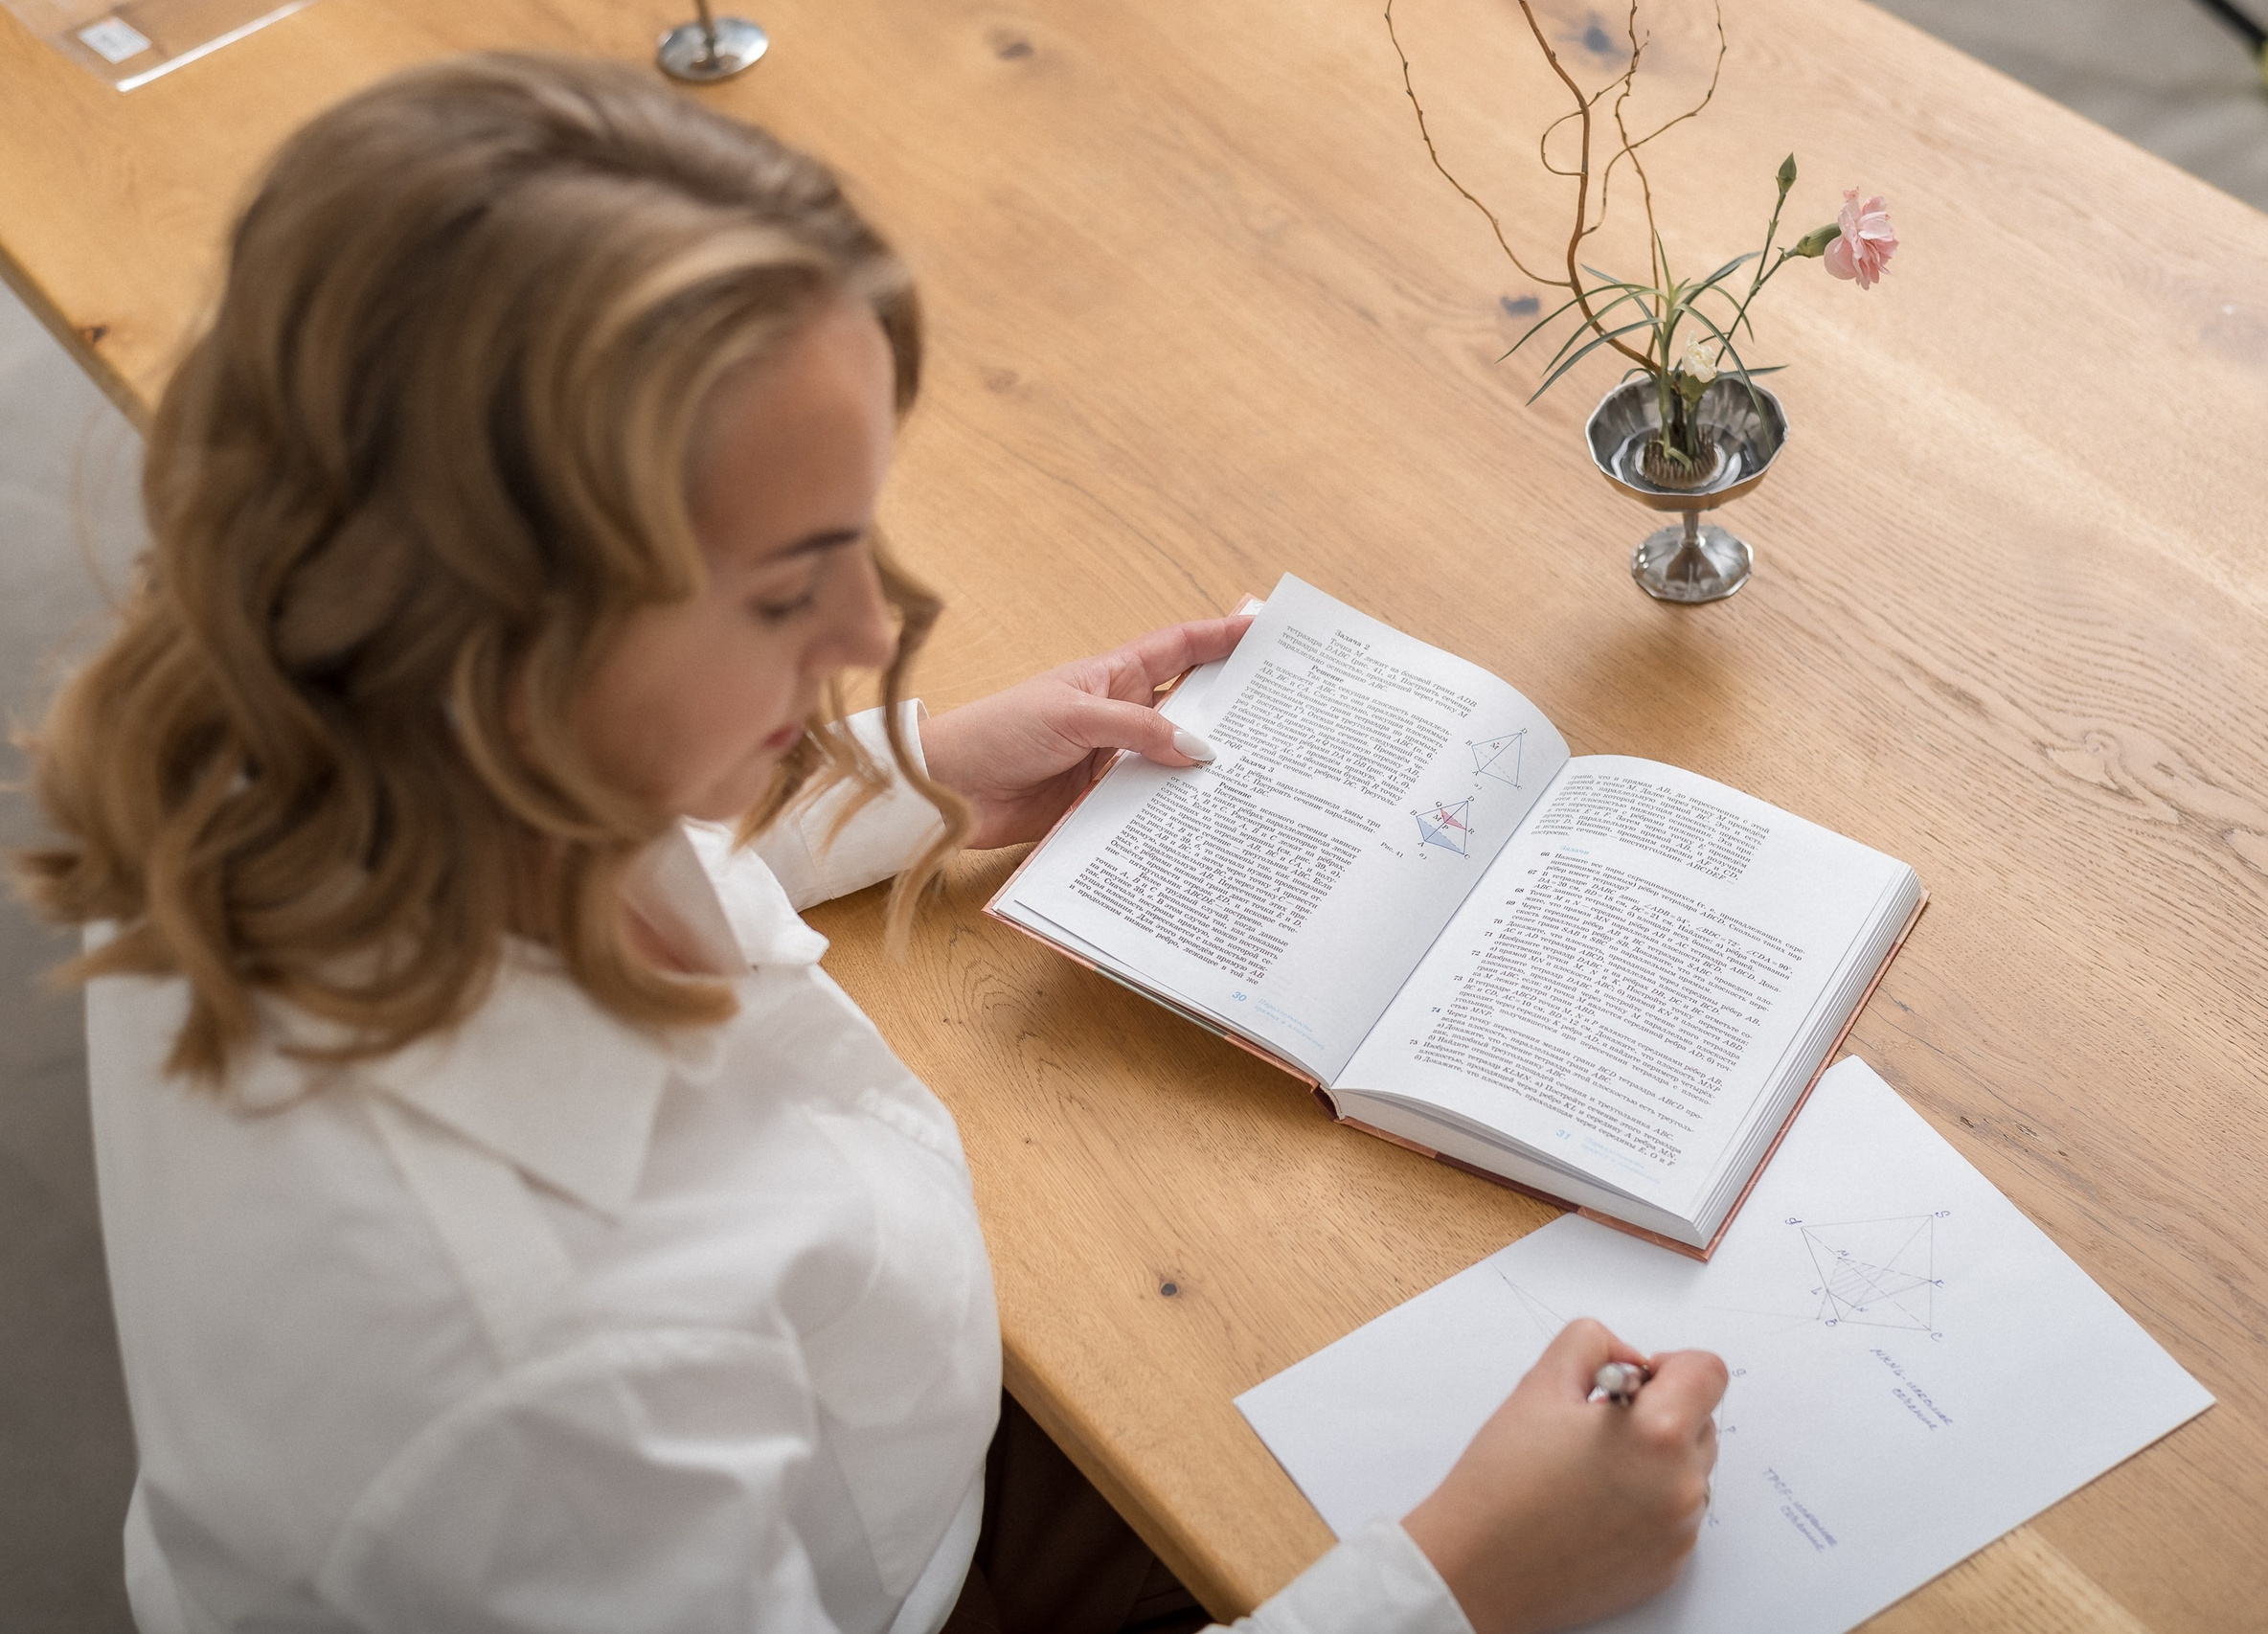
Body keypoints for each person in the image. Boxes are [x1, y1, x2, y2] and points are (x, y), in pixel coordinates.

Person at [17, 54, 1725, 1634]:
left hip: (863, 1446)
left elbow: (605, 828)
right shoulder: (552, 1389)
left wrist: (923, 772)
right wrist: (1465, 1585)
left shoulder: (286, 720)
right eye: (782, 588)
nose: (861, 633)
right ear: (501, 649)